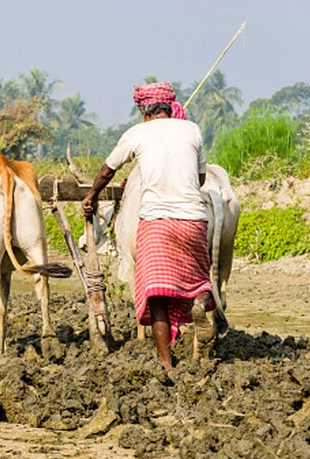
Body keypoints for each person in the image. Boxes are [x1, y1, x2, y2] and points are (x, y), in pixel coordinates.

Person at [81, 81, 215, 370]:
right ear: (170, 107)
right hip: (194, 221)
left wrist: (91, 196)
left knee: (157, 298)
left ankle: (166, 364)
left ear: (144, 111)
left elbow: (107, 171)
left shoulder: (137, 133)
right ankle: (200, 303)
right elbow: (201, 178)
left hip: (156, 224)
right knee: (200, 281)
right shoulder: (192, 130)